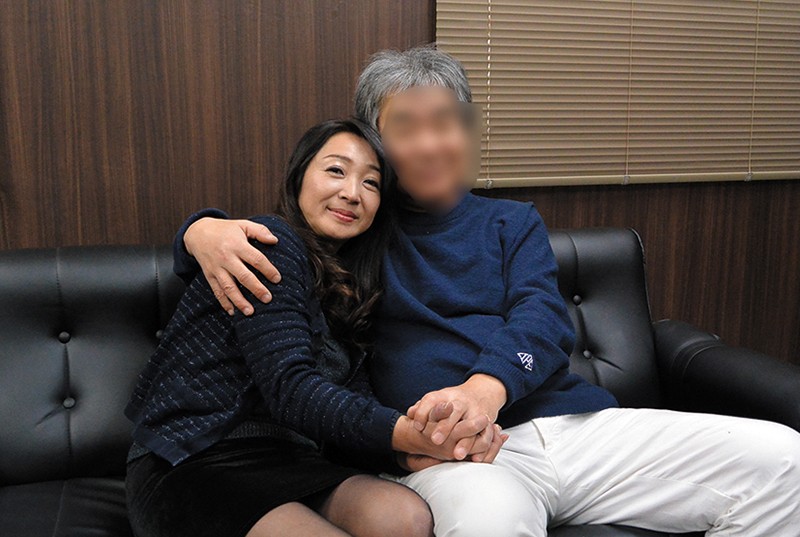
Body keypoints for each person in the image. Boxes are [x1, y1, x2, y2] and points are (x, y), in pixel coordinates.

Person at [173, 47, 800, 536]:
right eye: (405, 127)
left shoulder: (511, 222)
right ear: (376, 146)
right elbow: (276, 249)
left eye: (446, 123)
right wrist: (199, 231)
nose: (430, 143)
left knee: (783, 459)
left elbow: (542, 318)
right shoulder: (356, 228)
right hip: (455, 457)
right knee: (489, 523)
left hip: (577, 428)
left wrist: (484, 389)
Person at [124, 118, 506, 537]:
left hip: (291, 459)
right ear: (299, 177)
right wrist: (405, 435)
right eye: (336, 170)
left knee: (406, 518)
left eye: (371, 183)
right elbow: (291, 388)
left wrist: (407, 455)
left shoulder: (352, 290)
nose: (352, 193)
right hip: (194, 457)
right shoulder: (269, 243)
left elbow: (350, 409)